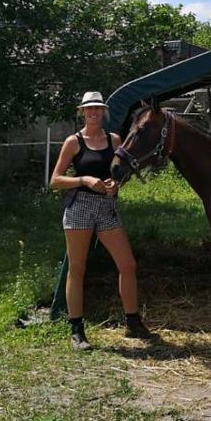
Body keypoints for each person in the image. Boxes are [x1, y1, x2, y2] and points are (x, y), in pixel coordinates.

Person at [50, 91, 153, 350]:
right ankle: (76, 330)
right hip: (80, 207)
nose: (93, 112)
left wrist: (115, 184)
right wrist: (84, 180)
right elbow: (55, 180)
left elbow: (120, 173)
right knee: (77, 268)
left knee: (127, 264)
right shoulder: (73, 142)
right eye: (89, 109)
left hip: (107, 207)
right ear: (82, 112)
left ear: (103, 112)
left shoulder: (114, 139)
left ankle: (132, 321)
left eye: (97, 108)